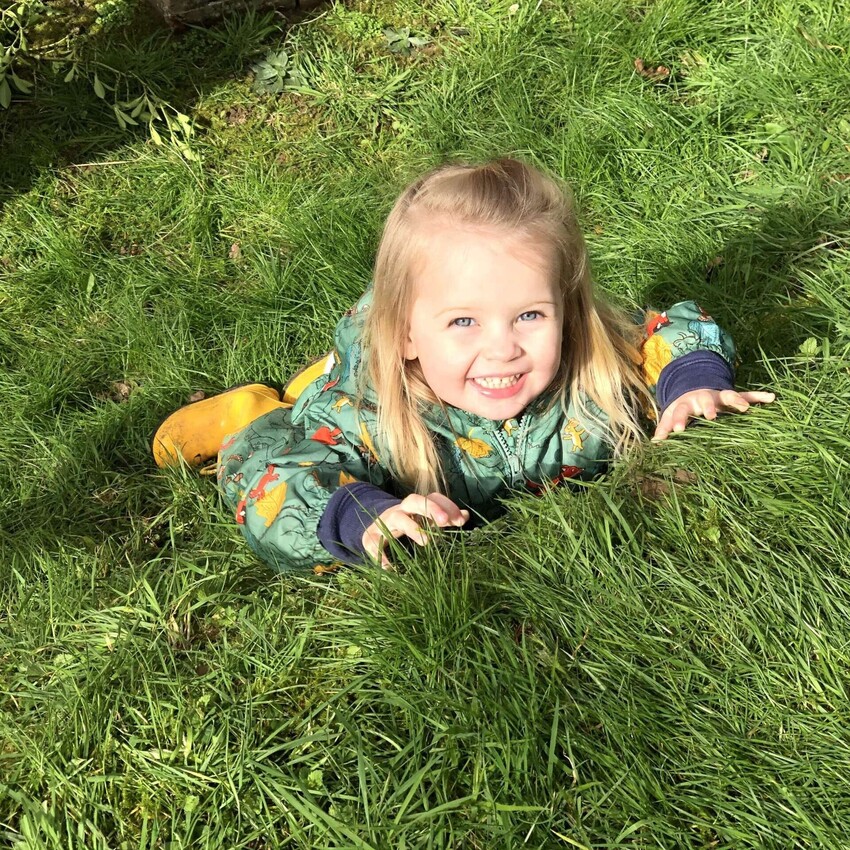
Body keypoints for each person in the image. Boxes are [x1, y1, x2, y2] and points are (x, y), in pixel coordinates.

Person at [153, 158, 774, 573]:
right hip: (340, 395)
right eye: (464, 321)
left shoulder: (592, 369)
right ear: (406, 336)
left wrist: (691, 385)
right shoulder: (364, 420)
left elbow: (672, 332)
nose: (504, 348)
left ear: (567, 308)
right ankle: (256, 400)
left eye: (530, 315)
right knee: (274, 426)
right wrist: (358, 513)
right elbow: (271, 472)